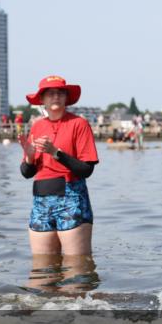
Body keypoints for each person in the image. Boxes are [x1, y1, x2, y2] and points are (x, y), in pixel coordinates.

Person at [19, 76, 99, 290]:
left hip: (71, 199)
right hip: (41, 202)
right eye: (50, 93)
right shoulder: (37, 126)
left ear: (66, 98)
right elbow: (27, 173)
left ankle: (80, 309)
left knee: (76, 271)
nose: (55, 96)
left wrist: (56, 153)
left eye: (60, 92)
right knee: (40, 273)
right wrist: (29, 158)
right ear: (42, 100)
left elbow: (87, 169)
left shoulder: (78, 124)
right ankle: (44, 311)